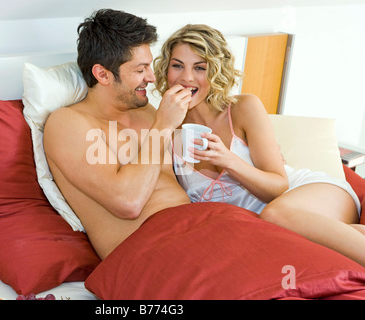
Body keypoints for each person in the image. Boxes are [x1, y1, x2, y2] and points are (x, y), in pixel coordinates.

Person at [153, 24, 365, 266]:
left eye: (200, 67)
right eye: (177, 65)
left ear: (215, 71)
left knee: (275, 215)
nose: (186, 77)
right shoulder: (164, 129)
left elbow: (278, 186)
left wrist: (228, 160)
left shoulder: (243, 108)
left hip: (311, 193)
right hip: (264, 226)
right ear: (165, 69)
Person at [43, 9, 192, 260]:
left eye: (150, 67)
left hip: (198, 228)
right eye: (140, 69)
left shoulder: (148, 113)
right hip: (146, 252)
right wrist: (163, 127)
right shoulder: (68, 124)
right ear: (102, 74)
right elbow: (129, 203)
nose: (152, 78)